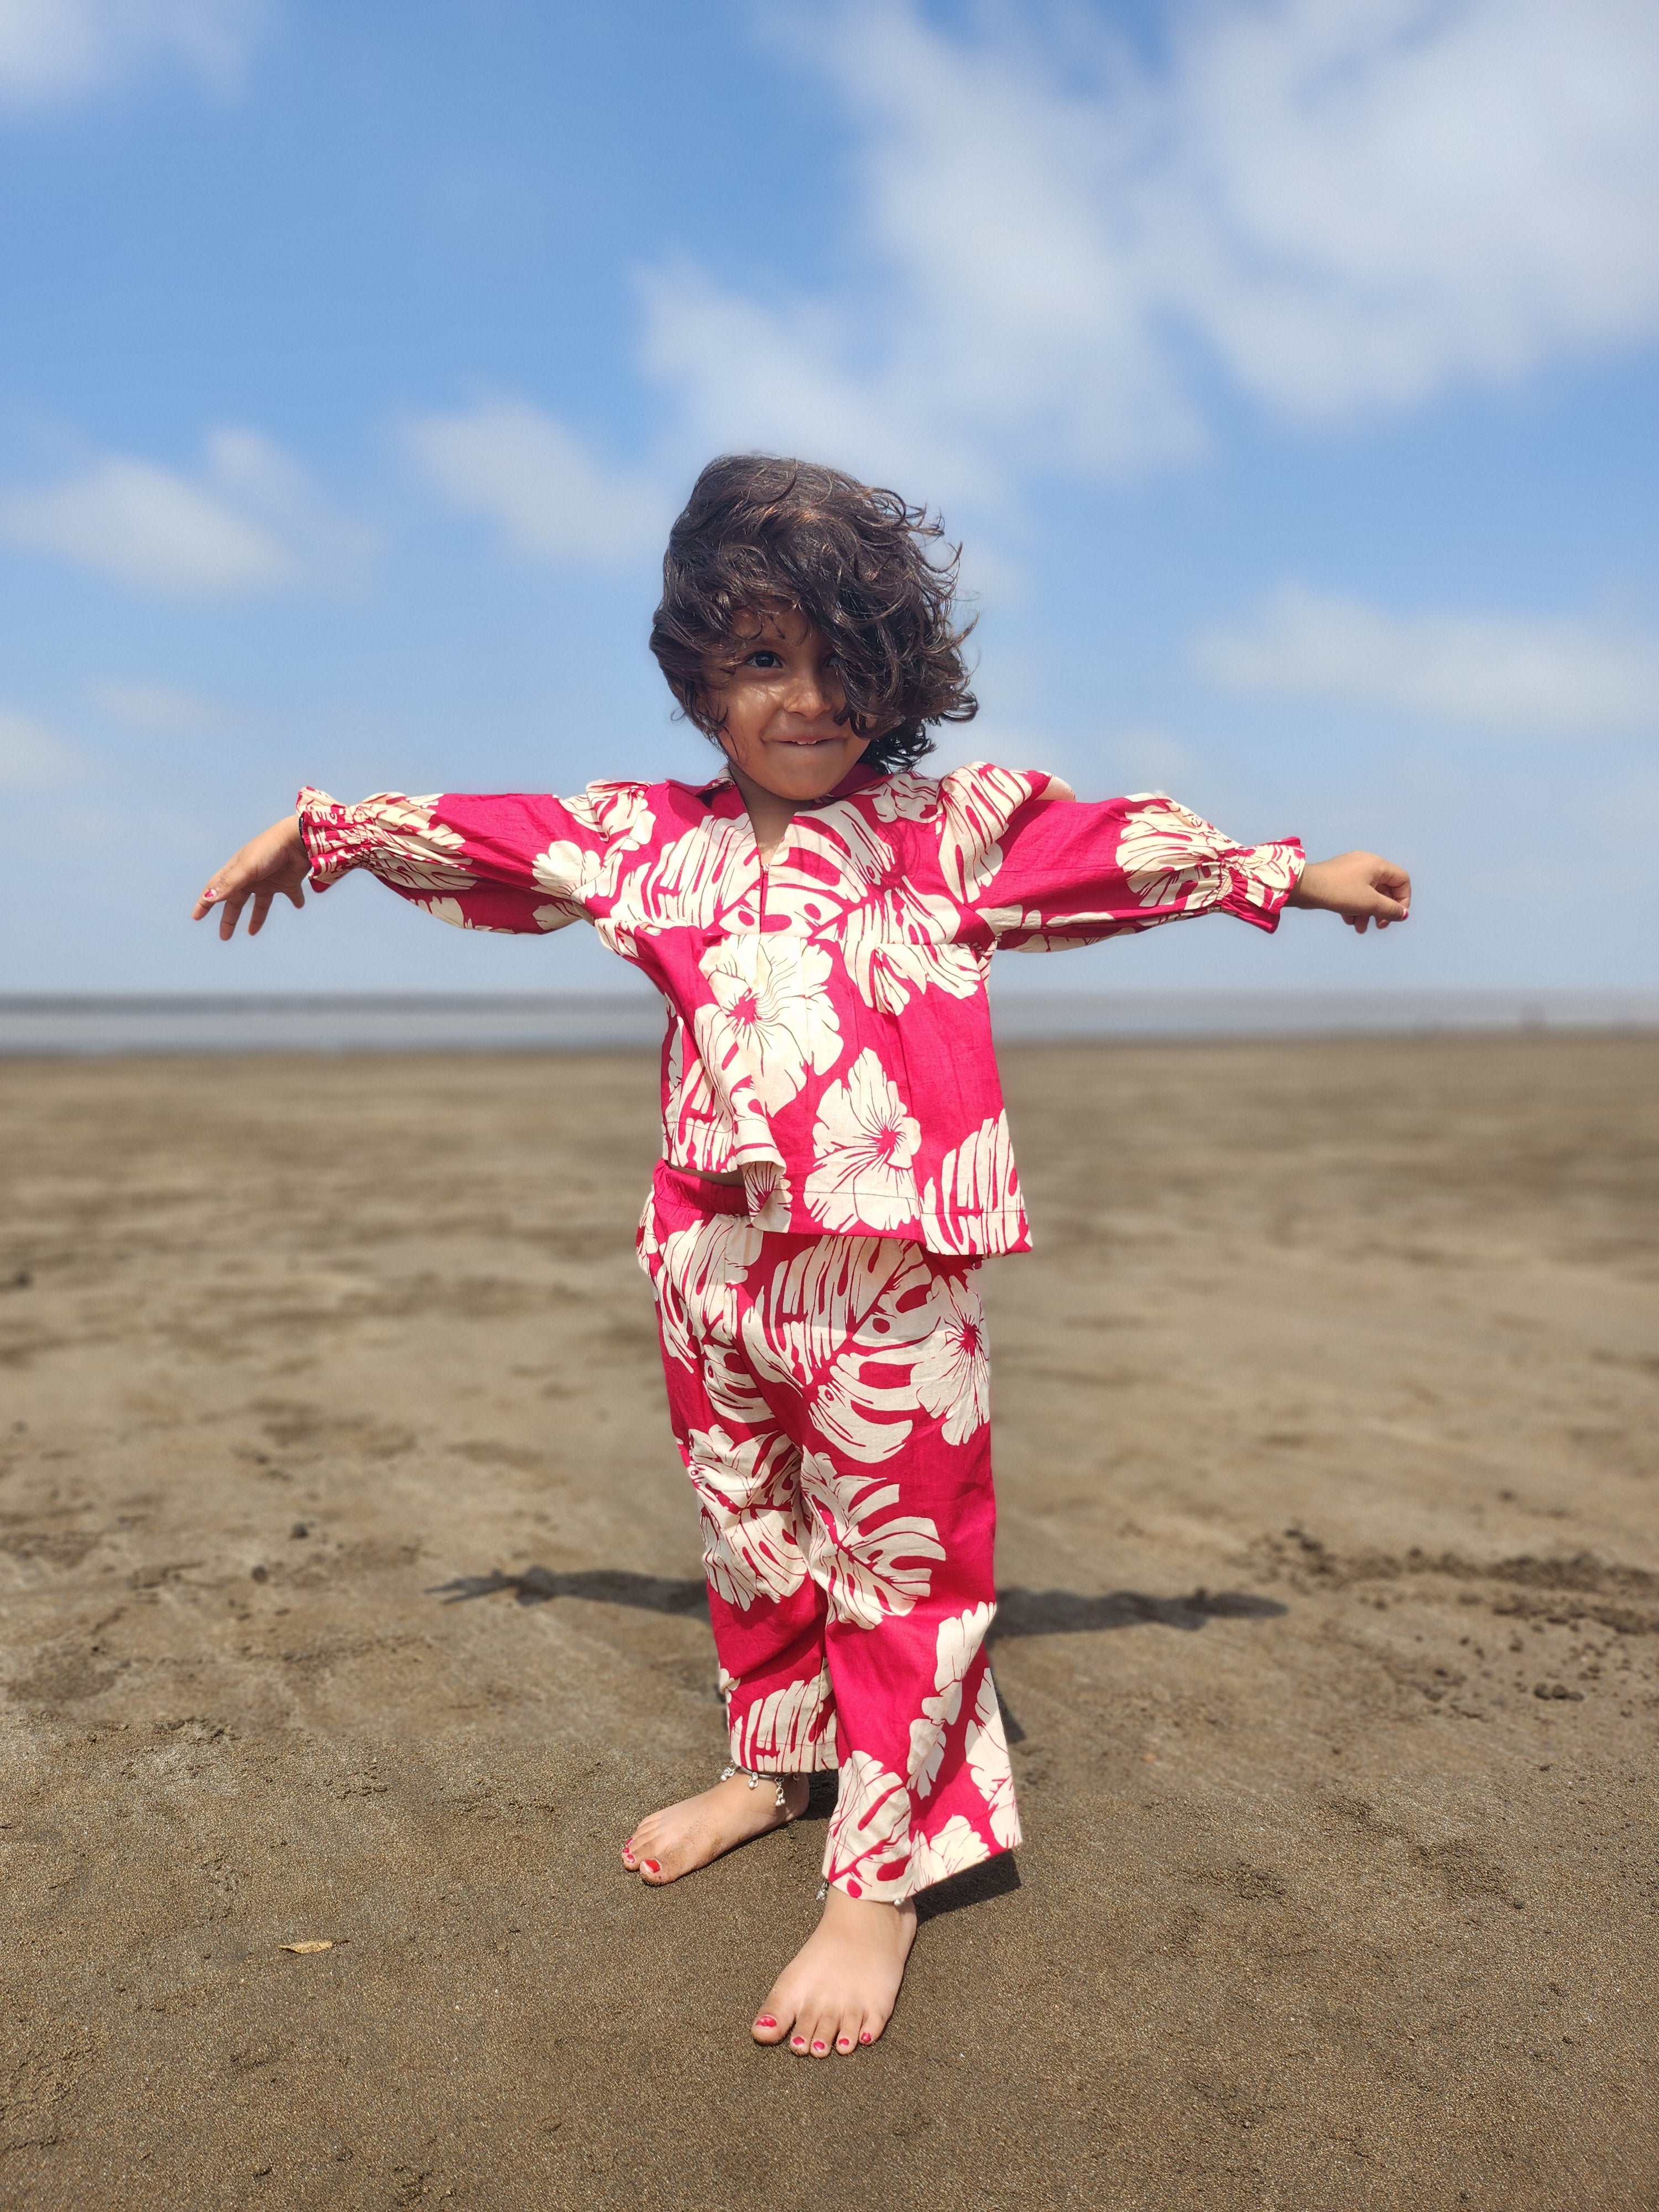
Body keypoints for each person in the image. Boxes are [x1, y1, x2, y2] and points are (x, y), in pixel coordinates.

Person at [194, 454, 1410, 2060]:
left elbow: (1113, 850)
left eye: (845, 658)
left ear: (898, 671)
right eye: (764, 659)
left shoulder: (954, 831)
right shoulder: (644, 839)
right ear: (700, 672)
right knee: (749, 1526)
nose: (809, 698)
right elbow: (499, 842)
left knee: (911, 1566)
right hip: (709, 1258)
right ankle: (771, 1762)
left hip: (892, 1271)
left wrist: (1292, 878)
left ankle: (883, 1877)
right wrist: (327, 834)